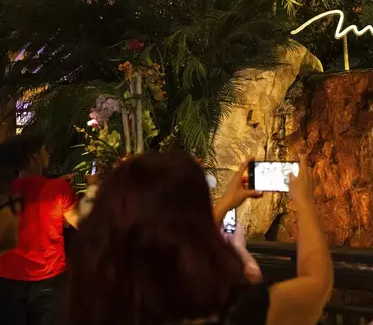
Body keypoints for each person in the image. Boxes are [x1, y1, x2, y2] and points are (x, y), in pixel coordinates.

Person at [63, 152, 333, 325]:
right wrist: (305, 204)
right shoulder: (231, 310)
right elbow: (317, 286)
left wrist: (226, 203)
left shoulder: (101, 302)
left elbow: (173, 246)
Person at [0, 135, 80, 325]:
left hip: (7, 279)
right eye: (45, 150)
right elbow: (80, 222)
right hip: (48, 279)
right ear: (35, 157)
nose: (48, 154)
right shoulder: (59, 189)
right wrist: (93, 190)